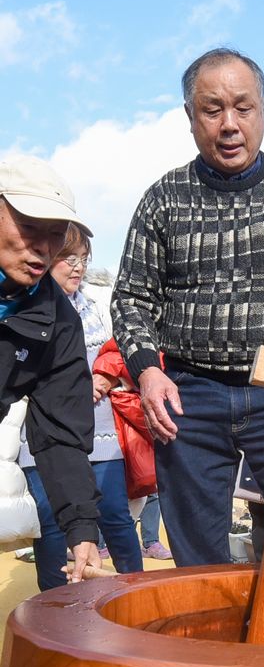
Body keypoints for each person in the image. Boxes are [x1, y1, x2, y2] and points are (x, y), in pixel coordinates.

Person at [111, 47, 264, 566]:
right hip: (189, 397)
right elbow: (132, 297)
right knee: (197, 555)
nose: (229, 124)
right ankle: (205, 646)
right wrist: (148, 374)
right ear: (190, 117)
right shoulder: (164, 199)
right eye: (213, 109)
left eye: (243, 108)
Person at [21, 225, 145, 591]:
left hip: (101, 431)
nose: (77, 268)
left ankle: (131, 590)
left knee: (115, 518)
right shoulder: (27, 305)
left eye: (83, 261)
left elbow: (128, 347)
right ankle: (57, 602)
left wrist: (106, 376)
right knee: (51, 521)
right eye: (68, 259)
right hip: (43, 433)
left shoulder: (98, 307)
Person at [0, 156, 102, 583]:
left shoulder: (58, 318)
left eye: (55, 233)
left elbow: (60, 430)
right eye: (29, 227)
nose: (43, 247)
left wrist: (81, 530)